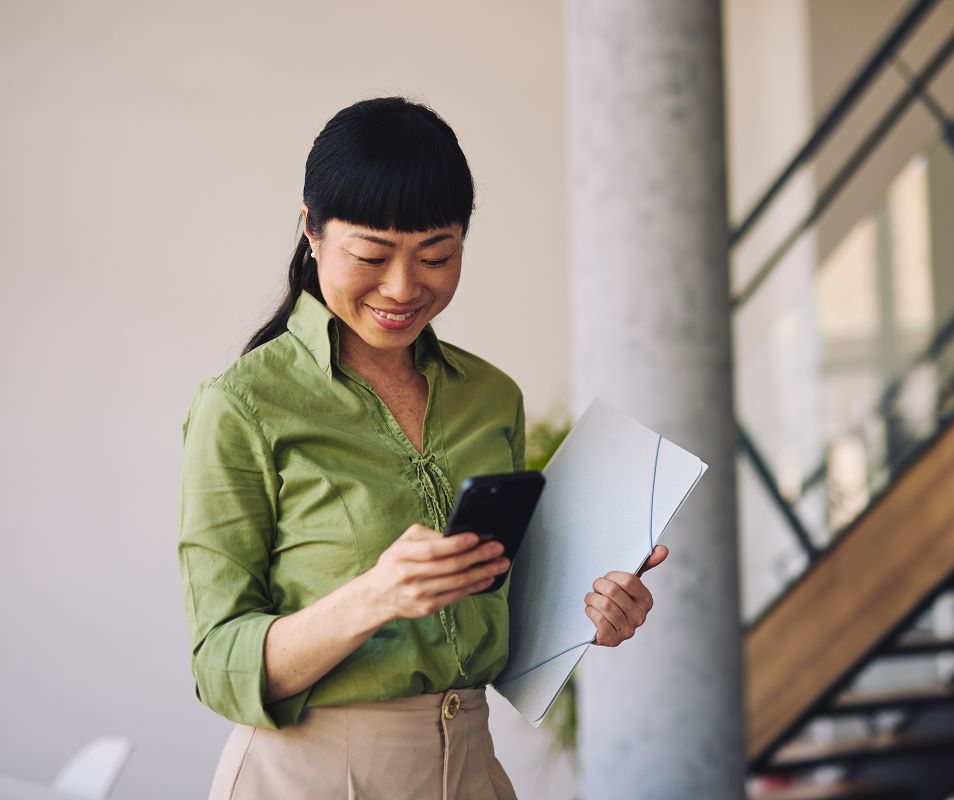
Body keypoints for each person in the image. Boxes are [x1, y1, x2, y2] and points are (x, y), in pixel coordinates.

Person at [177, 96, 669, 800]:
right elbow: (219, 664)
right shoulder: (240, 406)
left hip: (470, 766)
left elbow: (496, 610)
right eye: (371, 256)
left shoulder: (491, 397)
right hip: (309, 778)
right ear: (311, 233)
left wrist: (590, 611)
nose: (404, 288)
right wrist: (375, 596)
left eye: (437, 256)